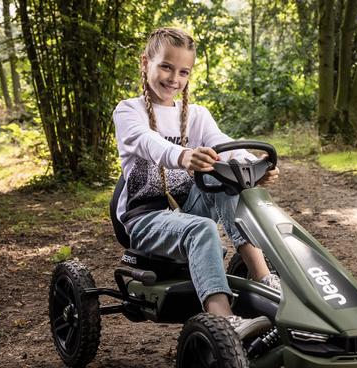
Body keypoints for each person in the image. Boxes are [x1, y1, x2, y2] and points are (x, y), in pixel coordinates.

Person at [112, 27, 280, 331]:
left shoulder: (197, 114)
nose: (174, 78)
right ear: (145, 62)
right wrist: (183, 155)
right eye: (165, 66)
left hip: (186, 207)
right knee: (203, 229)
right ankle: (222, 317)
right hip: (145, 219)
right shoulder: (128, 111)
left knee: (229, 184)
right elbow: (146, 142)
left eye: (183, 71)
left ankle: (264, 277)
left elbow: (223, 143)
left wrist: (254, 166)